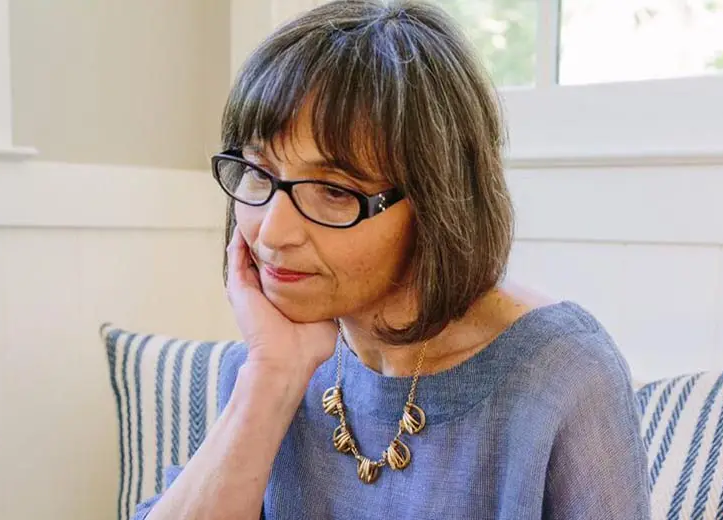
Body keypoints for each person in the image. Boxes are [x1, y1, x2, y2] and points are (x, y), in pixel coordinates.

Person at [133, 1, 650, 518]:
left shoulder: (560, 375)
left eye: (334, 191)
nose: (272, 231)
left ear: (435, 202)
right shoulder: (273, 356)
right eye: (258, 172)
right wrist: (270, 380)